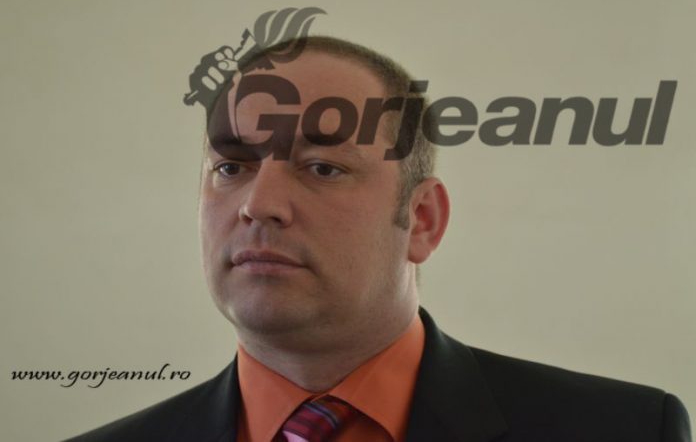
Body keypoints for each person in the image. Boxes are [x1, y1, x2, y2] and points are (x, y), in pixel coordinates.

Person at [65, 36, 691, 442]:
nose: (258, 204)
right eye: (231, 167)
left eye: (322, 168)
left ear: (422, 220)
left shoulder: (625, 429)